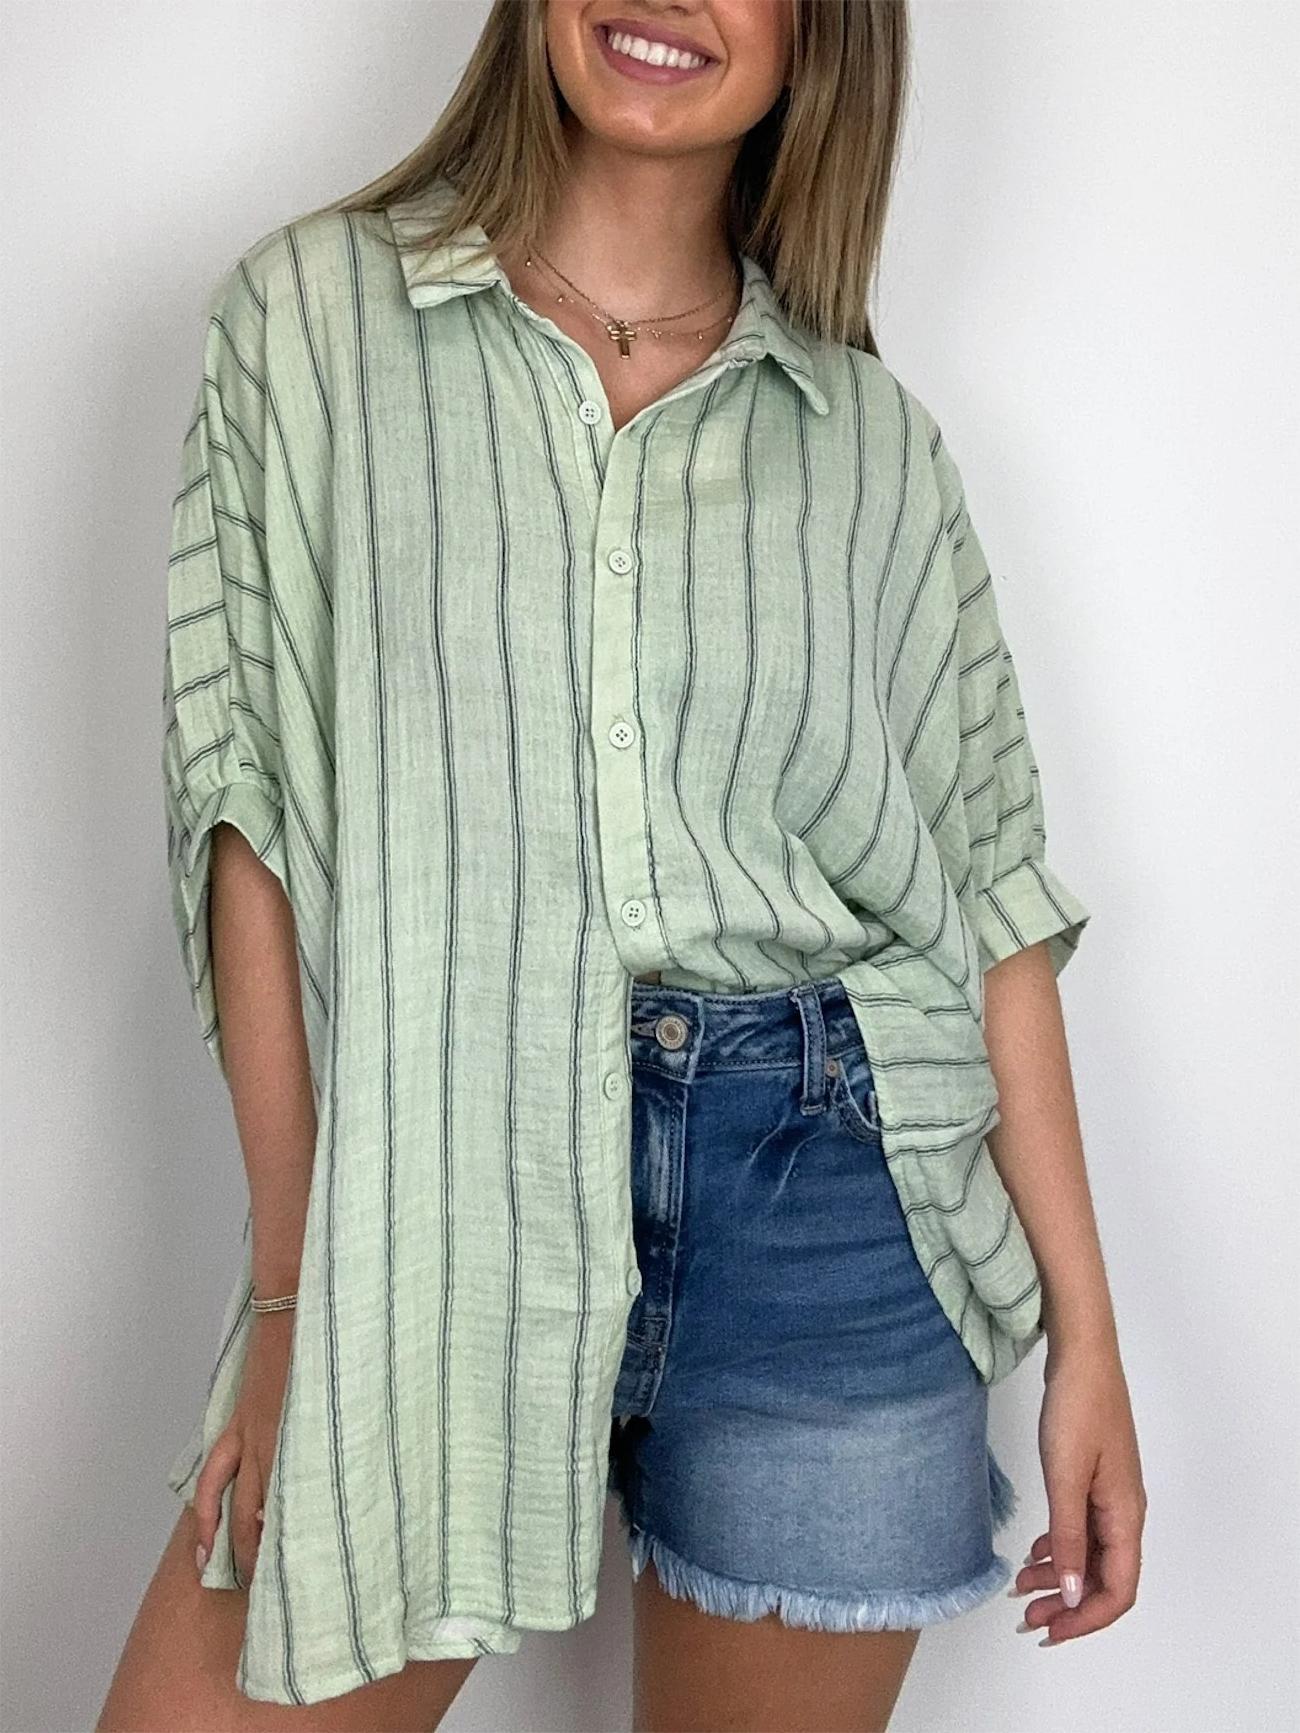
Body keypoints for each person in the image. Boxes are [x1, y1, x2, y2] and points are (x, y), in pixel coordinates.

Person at [98, 2, 1146, 1729]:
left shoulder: (870, 442)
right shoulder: (313, 322)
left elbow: (990, 900)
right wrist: (291, 1287)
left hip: (832, 1203)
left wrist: (1090, 1340)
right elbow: (245, 811)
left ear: (820, 33)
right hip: (438, 1188)